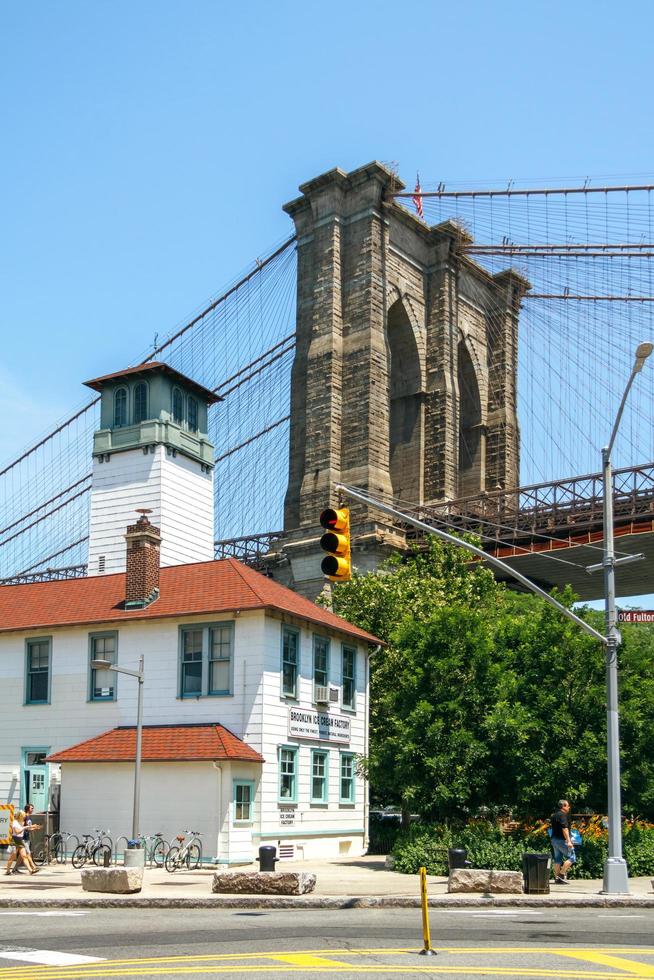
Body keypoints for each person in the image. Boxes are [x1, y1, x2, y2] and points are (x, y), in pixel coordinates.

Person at [4, 810, 39, 876]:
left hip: (20, 840)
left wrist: (33, 827)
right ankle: (8, 870)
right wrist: (25, 827)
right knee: (13, 857)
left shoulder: (22, 822)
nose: (24, 817)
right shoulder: (15, 822)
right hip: (14, 840)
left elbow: (26, 827)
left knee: (24, 856)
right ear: (20, 816)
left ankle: (30, 870)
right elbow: (17, 832)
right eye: (23, 816)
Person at [550, 798, 575, 884]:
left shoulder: (554, 815)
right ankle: (561, 874)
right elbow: (565, 829)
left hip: (554, 840)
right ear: (563, 806)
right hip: (561, 840)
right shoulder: (562, 815)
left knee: (557, 859)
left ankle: (557, 879)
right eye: (568, 806)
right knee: (572, 857)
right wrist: (569, 841)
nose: (569, 807)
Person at [13, 804, 41, 874]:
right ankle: (33, 867)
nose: (33, 809)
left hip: (26, 837)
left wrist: (34, 828)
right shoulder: (24, 816)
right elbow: (22, 827)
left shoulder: (29, 817)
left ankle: (14, 869)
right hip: (22, 837)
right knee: (28, 853)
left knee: (21, 856)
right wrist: (31, 827)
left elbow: (28, 827)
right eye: (32, 808)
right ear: (28, 809)